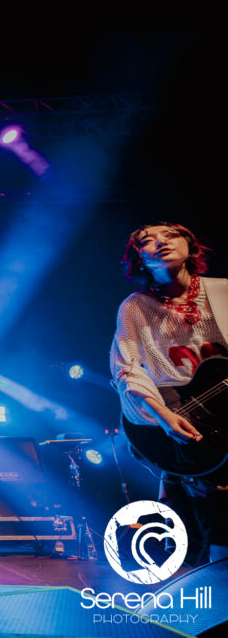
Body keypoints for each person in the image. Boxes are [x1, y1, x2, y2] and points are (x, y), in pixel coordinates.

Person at [111, 222, 228, 565]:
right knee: (210, 519)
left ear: (191, 246)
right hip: (180, 419)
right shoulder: (135, 307)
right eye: (147, 241)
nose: (160, 243)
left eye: (170, 235)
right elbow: (127, 368)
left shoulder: (222, 291)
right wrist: (162, 416)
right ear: (139, 259)